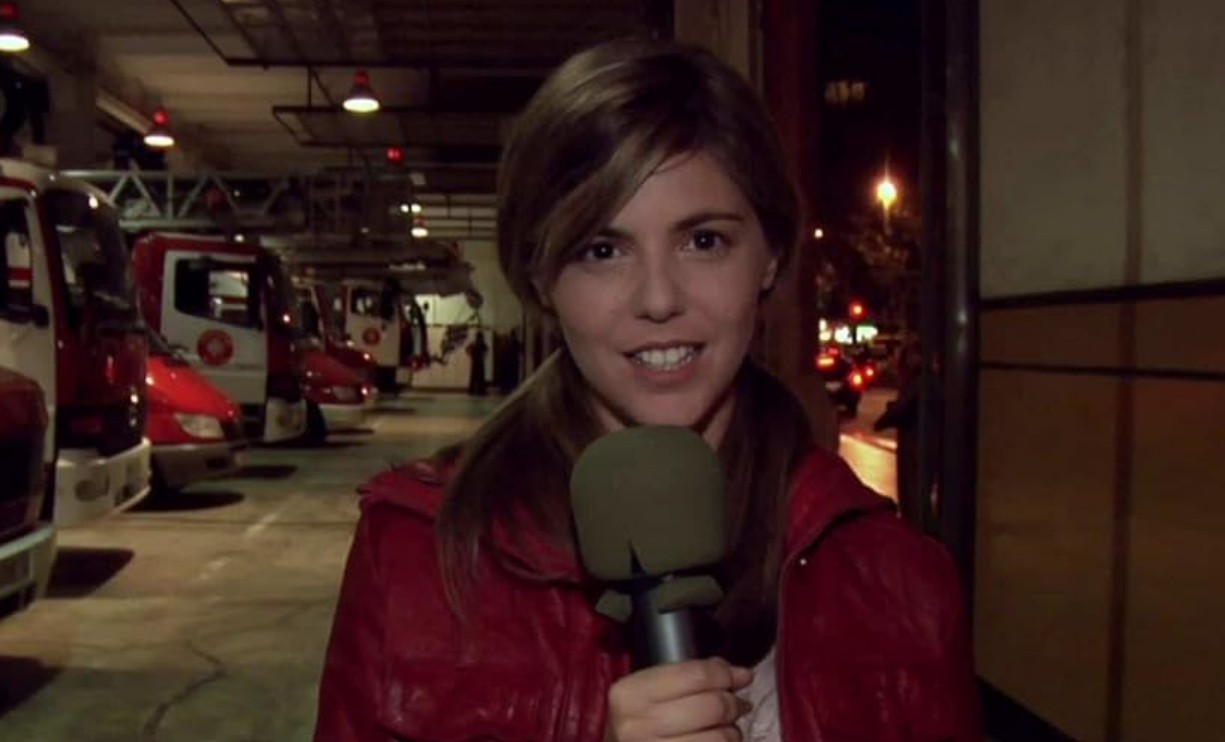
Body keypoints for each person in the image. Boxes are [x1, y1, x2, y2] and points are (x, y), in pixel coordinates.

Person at [315, 39, 980, 742]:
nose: (658, 299)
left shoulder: (900, 579)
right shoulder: (417, 553)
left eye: (704, 241)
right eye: (602, 251)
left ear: (771, 254)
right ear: (540, 278)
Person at [465, 329, 489, 396]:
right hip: (480, 362)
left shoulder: (474, 343)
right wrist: (483, 356)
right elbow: (486, 350)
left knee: (473, 377)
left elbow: (467, 349)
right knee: (480, 377)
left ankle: (471, 391)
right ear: (481, 337)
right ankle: (481, 391)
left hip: (474, 362)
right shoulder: (482, 344)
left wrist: (470, 355)